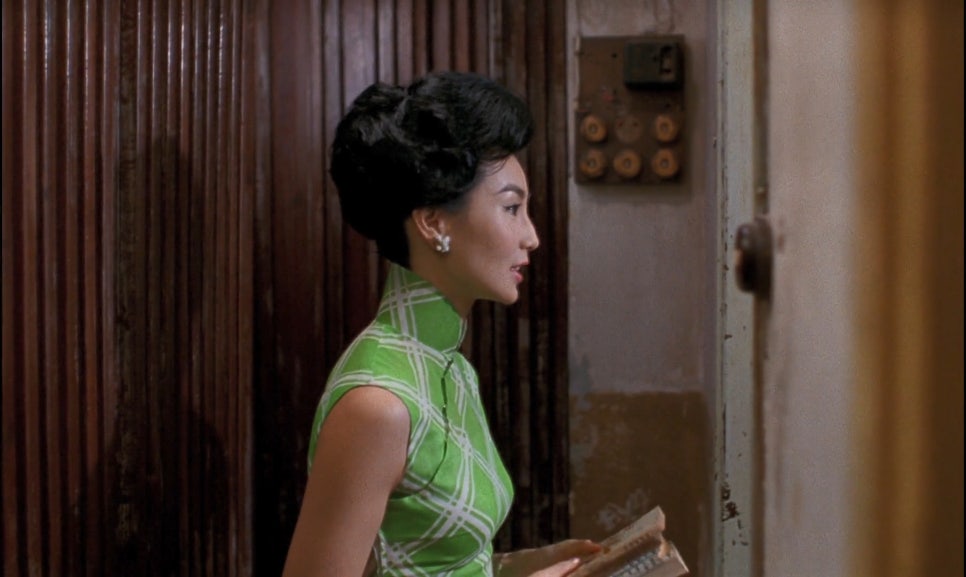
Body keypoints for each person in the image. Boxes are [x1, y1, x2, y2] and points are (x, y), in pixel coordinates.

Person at [281, 71, 600, 576]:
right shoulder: (378, 404)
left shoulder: (449, 368)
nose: (532, 236)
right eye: (512, 208)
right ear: (433, 222)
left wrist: (530, 565)